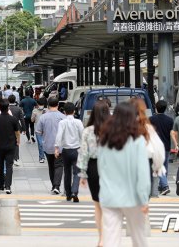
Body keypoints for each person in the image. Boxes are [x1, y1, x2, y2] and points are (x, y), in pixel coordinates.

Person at [97, 102, 150, 247]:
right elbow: (143, 173)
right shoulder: (137, 141)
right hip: (133, 197)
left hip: (109, 195)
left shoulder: (104, 140)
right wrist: (144, 198)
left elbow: (101, 168)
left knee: (111, 240)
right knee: (139, 238)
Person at [78, 100, 111, 247]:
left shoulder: (87, 131)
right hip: (112, 167)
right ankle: (111, 236)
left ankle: (101, 238)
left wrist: (83, 174)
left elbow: (83, 153)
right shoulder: (114, 129)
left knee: (98, 205)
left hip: (93, 167)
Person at [130, 98, 166, 198]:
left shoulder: (121, 127)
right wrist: (158, 166)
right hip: (145, 164)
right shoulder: (147, 128)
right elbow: (158, 149)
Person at [54, 102, 84, 202]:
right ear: (74, 111)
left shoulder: (62, 122)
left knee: (67, 172)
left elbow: (59, 136)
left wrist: (57, 148)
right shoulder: (78, 122)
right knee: (77, 172)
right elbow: (83, 135)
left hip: (66, 151)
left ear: (64, 112)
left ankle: (67, 193)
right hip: (76, 150)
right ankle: (74, 192)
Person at [36, 97, 66, 194]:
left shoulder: (43, 117)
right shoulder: (63, 117)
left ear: (48, 105)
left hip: (47, 145)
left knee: (51, 166)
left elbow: (38, 131)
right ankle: (56, 186)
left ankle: (54, 185)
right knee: (59, 165)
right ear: (58, 105)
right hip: (60, 147)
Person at [0, 100, 20, 194]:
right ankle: (8, 186)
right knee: (9, 166)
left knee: (0, 166)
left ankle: (0, 186)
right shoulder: (13, 119)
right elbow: (17, 132)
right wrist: (18, 140)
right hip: (11, 146)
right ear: (8, 108)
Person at [149, 100, 173, 195]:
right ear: (165, 108)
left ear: (156, 108)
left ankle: (165, 185)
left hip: (155, 146)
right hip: (166, 146)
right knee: (165, 166)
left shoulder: (151, 119)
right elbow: (171, 133)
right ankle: (162, 185)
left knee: (159, 166)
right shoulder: (170, 120)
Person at [8, 95, 25, 165]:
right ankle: (15, 158)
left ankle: (9, 157)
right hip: (17, 127)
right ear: (15, 100)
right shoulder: (18, 109)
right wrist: (24, 128)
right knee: (16, 142)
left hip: (8, 127)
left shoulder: (6, 108)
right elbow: (22, 119)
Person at [32, 98, 47, 163]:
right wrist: (34, 116)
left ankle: (47, 155)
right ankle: (41, 157)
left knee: (45, 143)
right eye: (39, 104)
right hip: (38, 130)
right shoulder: (34, 110)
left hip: (46, 129)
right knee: (40, 144)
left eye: (42, 104)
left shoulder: (47, 110)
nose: (40, 105)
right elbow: (32, 120)